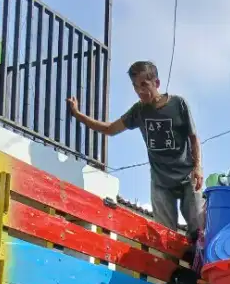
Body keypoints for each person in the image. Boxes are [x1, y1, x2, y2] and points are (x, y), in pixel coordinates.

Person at [67, 61, 204, 254]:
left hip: (187, 176)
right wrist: (78, 114)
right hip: (161, 182)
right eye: (135, 87)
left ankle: (200, 270)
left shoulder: (178, 104)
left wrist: (198, 168)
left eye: (144, 86)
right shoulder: (138, 111)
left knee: (198, 230)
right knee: (165, 237)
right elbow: (110, 129)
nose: (140, 92)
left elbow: (193, 138)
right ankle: (172, 277)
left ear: (156, 83)